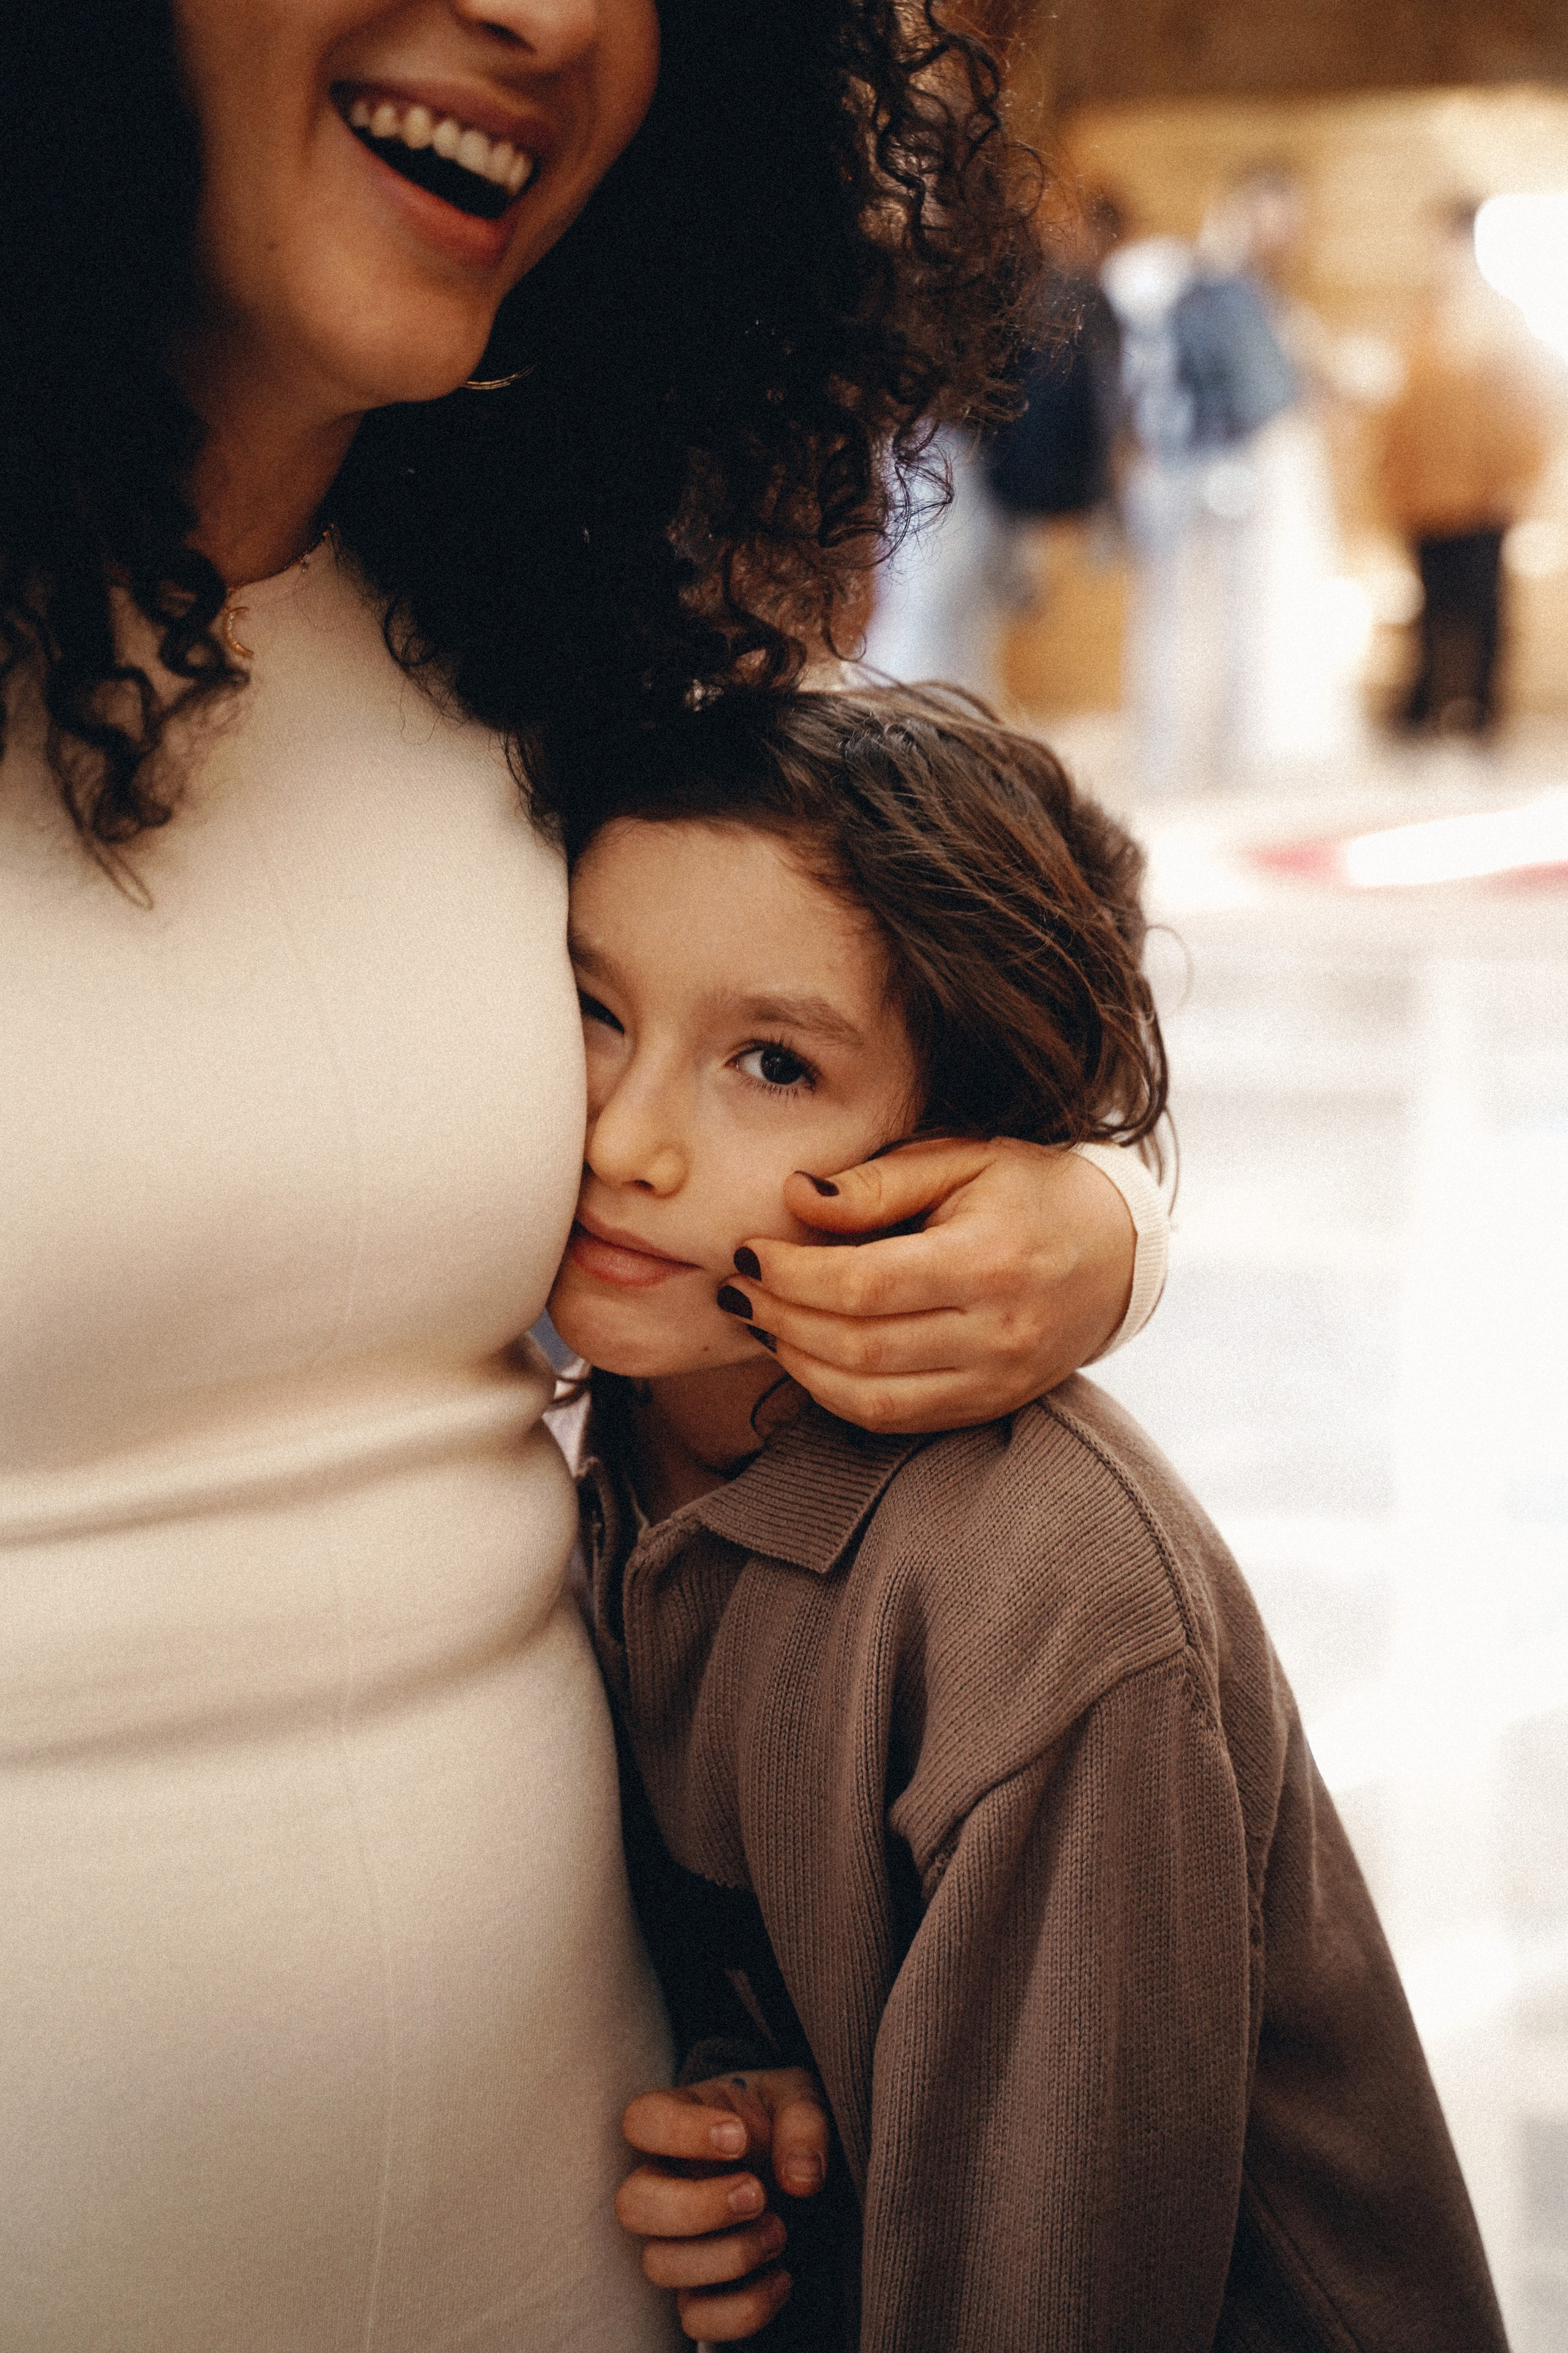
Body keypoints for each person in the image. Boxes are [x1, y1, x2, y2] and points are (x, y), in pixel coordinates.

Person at [0, 6, 1167, 2349]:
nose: (541, 10)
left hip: (608, 2249)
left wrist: (1091, 1225)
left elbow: (897, 988)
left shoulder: (553, 649)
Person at [542, 686, 1508, 2351]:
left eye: (773, 1064)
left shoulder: (1043, 1589)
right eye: (590, 1012)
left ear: (963, 1156)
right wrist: (778, 2107)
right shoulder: (609, 1448)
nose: (625, 1142)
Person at [1379, 199, 1555, 736]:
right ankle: (1426, 703)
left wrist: (1516, 480)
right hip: (1426, 495)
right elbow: (1401, 412)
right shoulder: (1420, 318)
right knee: (1430, 606)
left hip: (1482, 493)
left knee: (1483, 608)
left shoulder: (1500, 317)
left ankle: (1480, 710)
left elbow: (1532, 406)